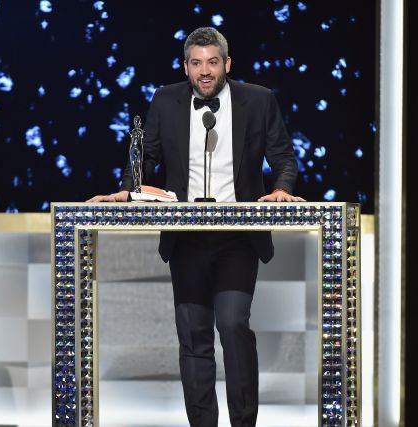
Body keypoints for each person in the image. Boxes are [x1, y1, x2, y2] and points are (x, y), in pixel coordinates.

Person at [87, 27, 304, 427]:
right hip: (185, 238)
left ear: (227, 64)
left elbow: (284, 157)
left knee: (233, 324)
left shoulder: (258, 100)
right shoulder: (165, 100)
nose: (205, 71)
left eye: (213, 62)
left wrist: (281, 189)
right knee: (194, 335)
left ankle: (244, 422)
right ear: (186, 67)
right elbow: (147, 157)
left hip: (238, 238)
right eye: (196, 63)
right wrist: (127, 190)